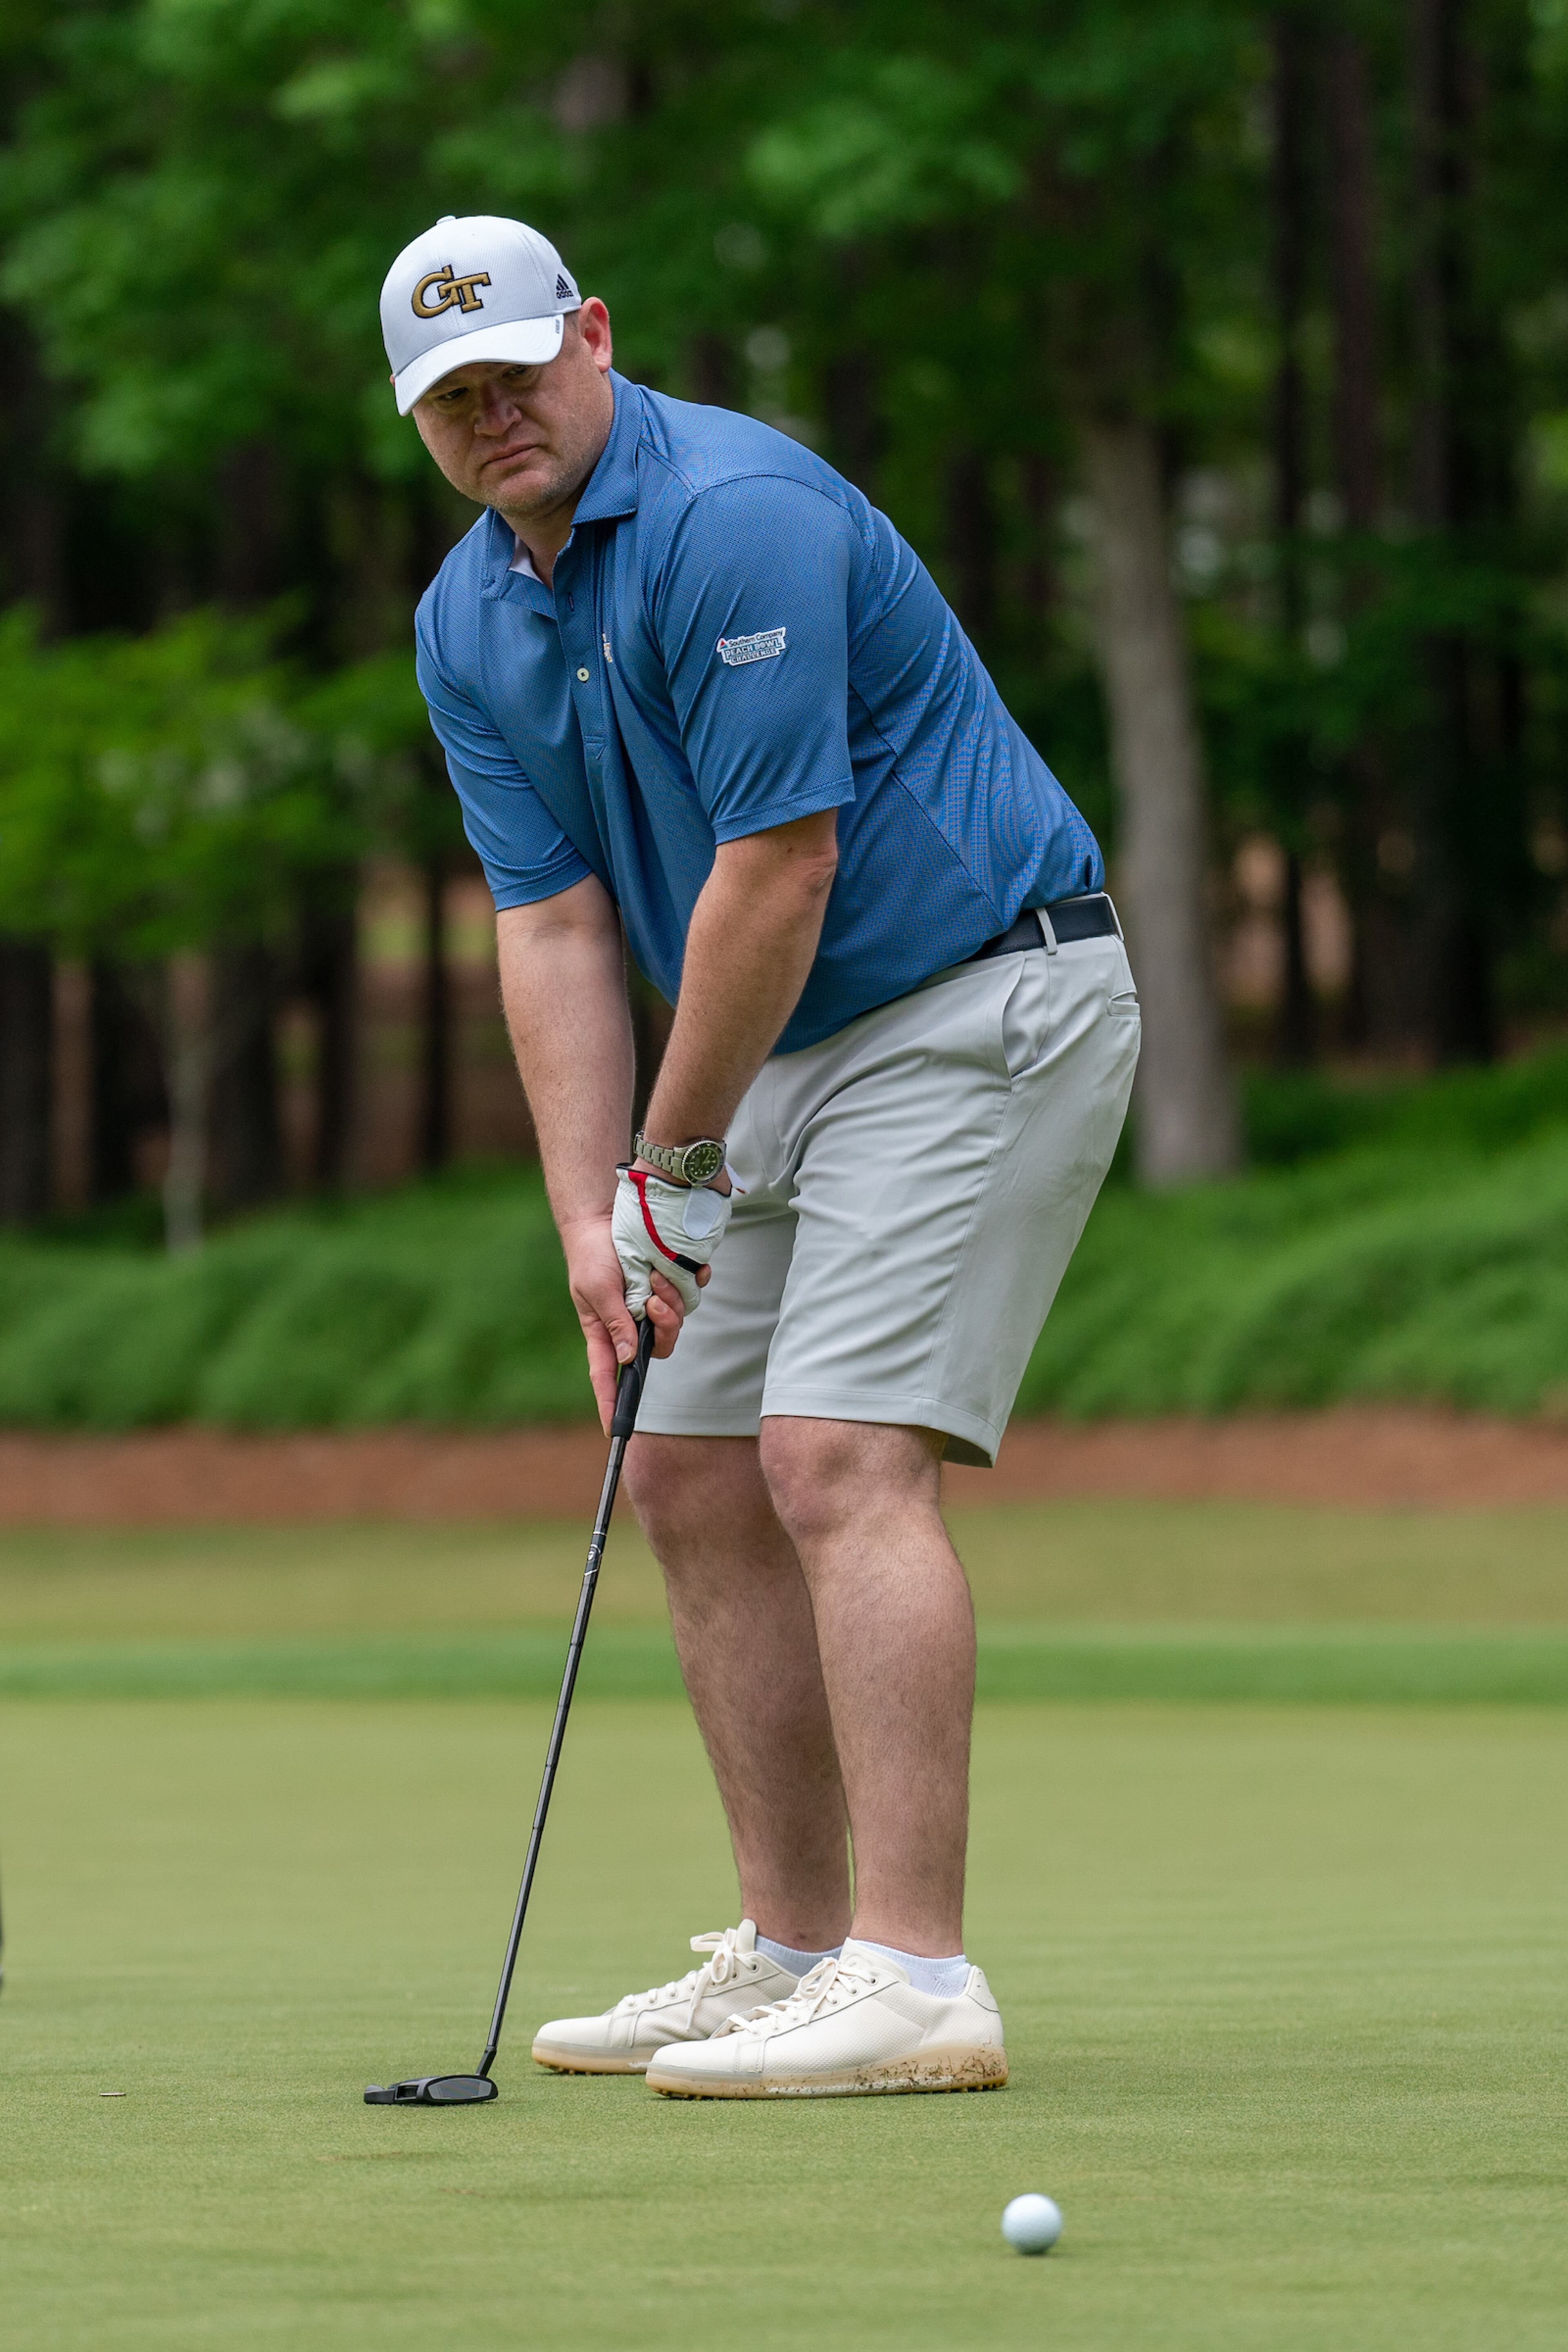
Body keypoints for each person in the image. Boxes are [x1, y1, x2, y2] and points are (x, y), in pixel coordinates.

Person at [383, 214, 1140, 2099]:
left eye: (520, 374)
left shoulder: (739, 514)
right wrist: (591, 1212)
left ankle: (919, 1974)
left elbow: (777, 866)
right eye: (451, 399)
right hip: (785, 1038)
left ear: (598, 338)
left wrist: (668, 1166)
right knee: (692, 1473)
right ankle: (794, 1952)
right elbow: (552, 920)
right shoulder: (467, 617)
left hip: (979, 997)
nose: (496, 420)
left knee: (832, 1457)